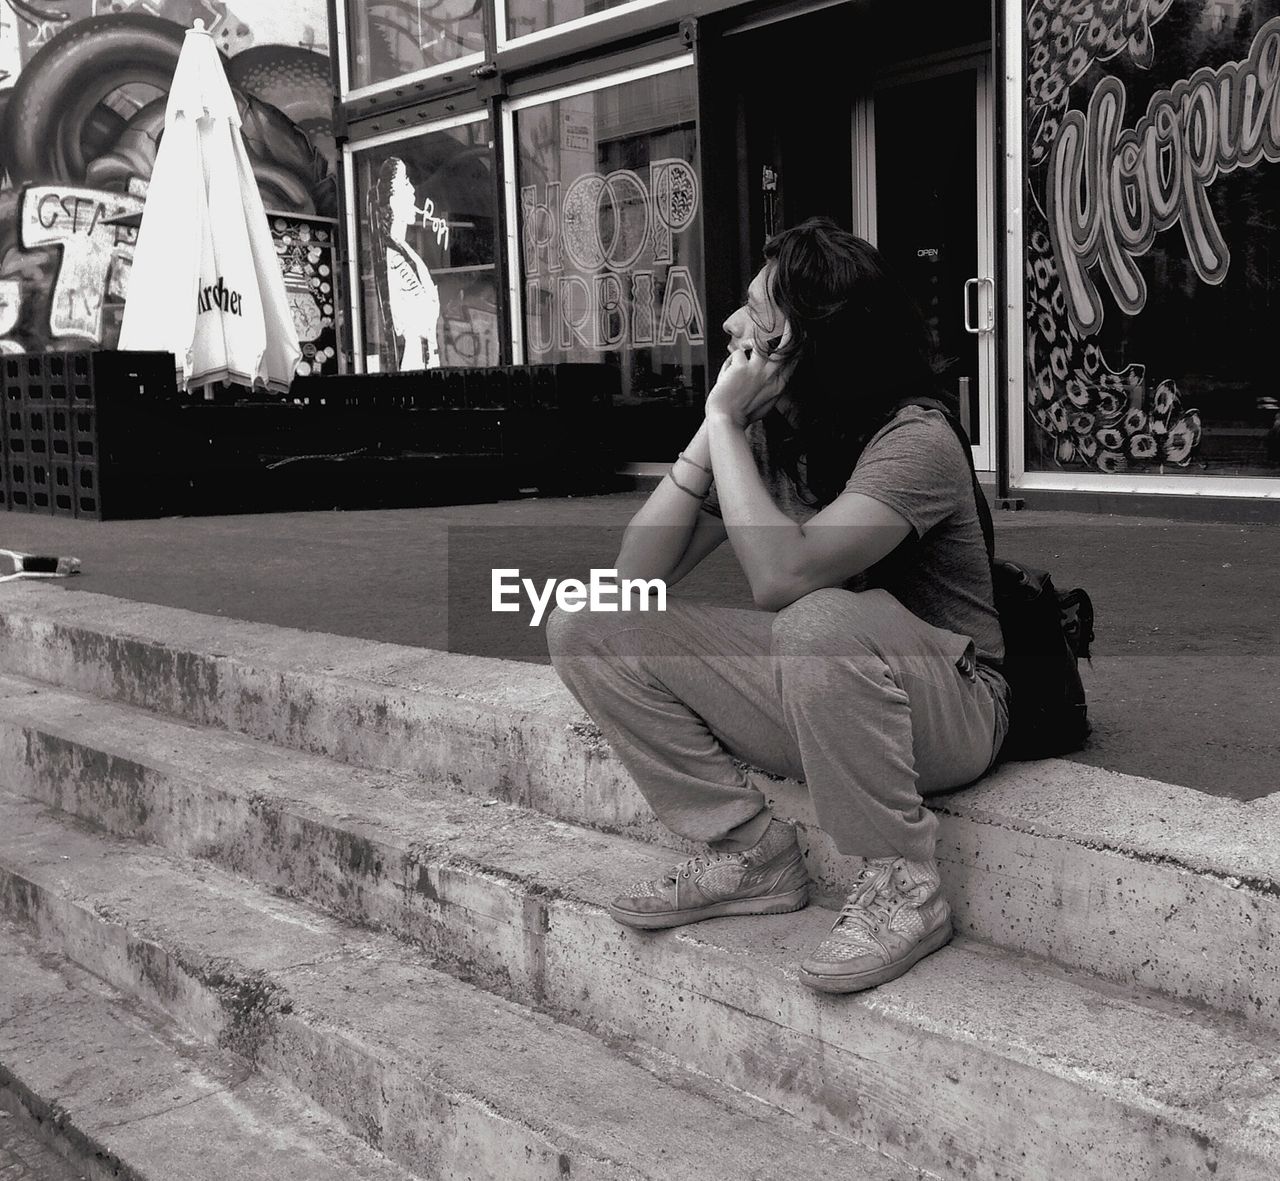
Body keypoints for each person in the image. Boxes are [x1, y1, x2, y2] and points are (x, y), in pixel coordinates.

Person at [544, 217, 1010, 994]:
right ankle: (749, 850)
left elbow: (783, 577)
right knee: (585, 621)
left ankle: (905, 884)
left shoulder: (916, 440)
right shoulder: (773, 437)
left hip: (954, 704)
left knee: (812, 619)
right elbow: (633, 577)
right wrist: (712, 432)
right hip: (822, 684)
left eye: (756, 311)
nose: (730, 324)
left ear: (810, 339)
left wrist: (727, 420)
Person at [366, 156, 442, 371]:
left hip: (424, 360)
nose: (413, 191)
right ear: (390, 199)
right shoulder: (393, 257)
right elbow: (401, 322)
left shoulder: (405, 253)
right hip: (414, 363)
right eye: (405, 183)